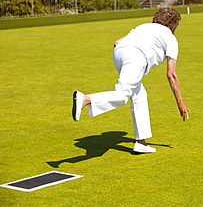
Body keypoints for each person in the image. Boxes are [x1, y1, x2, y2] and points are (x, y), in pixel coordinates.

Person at [72, 8, 190, 154]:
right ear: (173, 25)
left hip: (119, 53)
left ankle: (141, 142)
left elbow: (117, 42)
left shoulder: (143, 26)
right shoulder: (170, 38)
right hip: (136, 57)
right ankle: (86, 99)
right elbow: (171, 74)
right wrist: (180, 102)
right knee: (122, 96)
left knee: (139, 95)